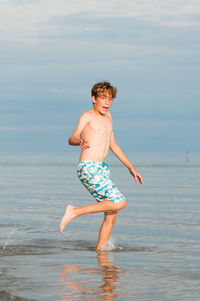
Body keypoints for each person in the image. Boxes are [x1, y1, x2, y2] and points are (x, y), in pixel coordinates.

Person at [60, 81, 143, 251]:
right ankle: (74, 211)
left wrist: (130, 167)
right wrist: (79, 142)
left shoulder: (109, 117)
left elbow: (113, 145)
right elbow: (72, 137)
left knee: (112, 213)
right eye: (103, 98)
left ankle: (101, 252)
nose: (107, 102)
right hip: (88, 167)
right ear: (93, 98)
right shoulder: (87, 116)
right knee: (119, 202)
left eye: (110, 99)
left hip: (102, 169)